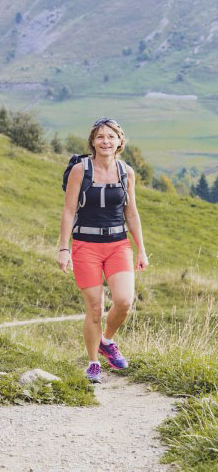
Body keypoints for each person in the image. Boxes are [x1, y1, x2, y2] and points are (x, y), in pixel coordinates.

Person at [57, 118, 149, 383]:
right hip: (85, 245)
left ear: (120, 141)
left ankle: (106, 340)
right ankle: (93, 363)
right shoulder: (80, 170)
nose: (105, 141)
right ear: (93, 142)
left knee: (123, 301)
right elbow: (68, 210)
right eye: (100, 137)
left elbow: (131, 212)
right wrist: (64, 248)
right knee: (95, 309)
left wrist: (141, 249)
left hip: (118, 244)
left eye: (111, 136)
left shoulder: (126, 172)